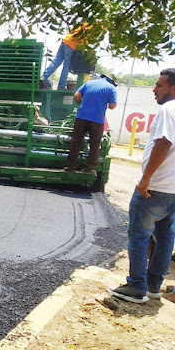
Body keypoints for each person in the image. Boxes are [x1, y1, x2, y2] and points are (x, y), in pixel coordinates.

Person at [108, 68, 175, 304]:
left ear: (173, 88)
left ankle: (137, 287)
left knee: (139, 236)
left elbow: (164, 143)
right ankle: (154, 287)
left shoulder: (168, 110)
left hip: (155, 188)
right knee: (166, 237)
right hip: (173, 191)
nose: (154, 89)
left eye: (160, 85)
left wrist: (146, 179)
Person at [63, 74, 117, 174]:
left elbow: (76, 96)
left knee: (76, 141)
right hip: (97, 120)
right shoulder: (111, 88)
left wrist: (82, 105)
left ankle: (71, 167)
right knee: (95, 144)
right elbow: (113, 106)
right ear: (112, 81)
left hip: (81, 117)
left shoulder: (89, 83)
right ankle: (88, 169)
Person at [42, 23, 91, 90]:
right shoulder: (93, 28)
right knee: (67, 65)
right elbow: (86, 42)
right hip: (71, 45)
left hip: (65, 41)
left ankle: (44, 77)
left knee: (57, 60)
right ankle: (61, 86)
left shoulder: (87, 23)